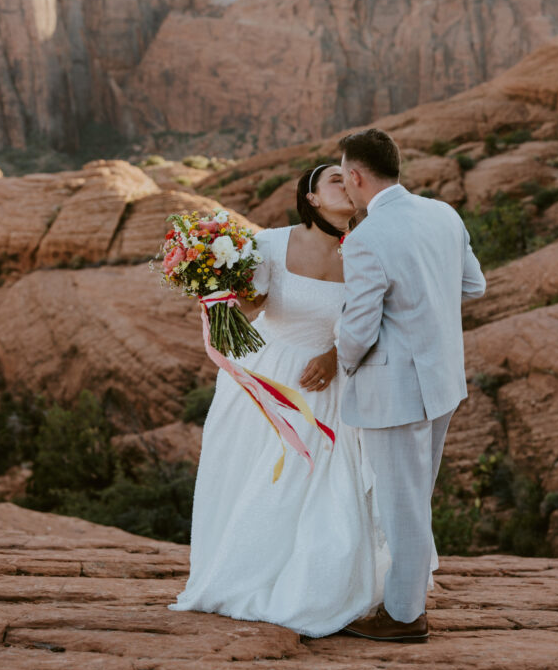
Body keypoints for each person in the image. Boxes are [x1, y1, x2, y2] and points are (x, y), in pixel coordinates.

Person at [170, 164, 388, 636]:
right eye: (334, 179)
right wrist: (216, 289)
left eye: (350, 178)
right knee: (267, 481)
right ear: (310, 198)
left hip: (333, 384)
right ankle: (249, 576)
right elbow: (250, 309)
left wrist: (333, 355)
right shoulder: (270, 243)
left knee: (330, 483)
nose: (346, 184)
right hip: (271, 381)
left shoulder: (369, 249)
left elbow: (373, 317)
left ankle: (320, 588)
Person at [337, 128, 486, 643]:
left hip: (395, 388)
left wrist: (342, 366)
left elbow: (357, 329)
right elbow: (474, 284)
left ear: (356, 177)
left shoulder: (365, 239)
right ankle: (409, 597)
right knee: (415, 498)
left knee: (402, 504)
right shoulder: (444, 214)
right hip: (443, 380)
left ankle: (403, 616)